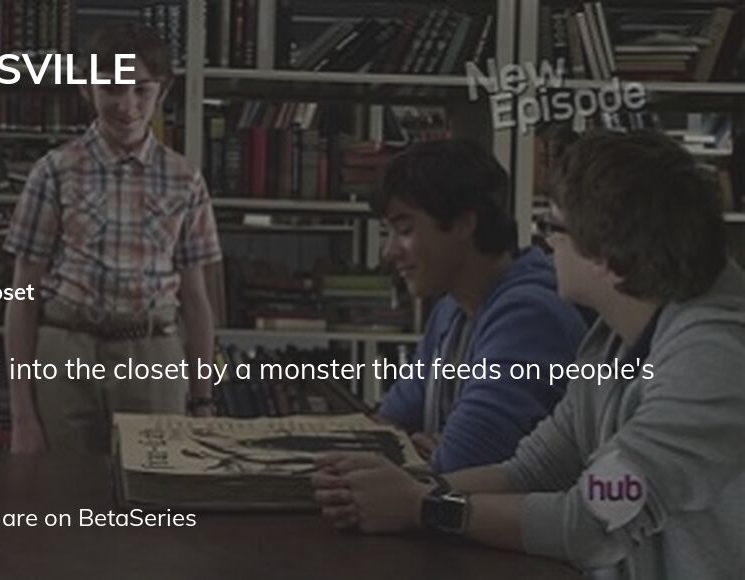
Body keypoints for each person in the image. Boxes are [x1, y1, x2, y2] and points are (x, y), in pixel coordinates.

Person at [314, 130, 745, 580]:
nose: (545, 244)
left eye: (553, 227)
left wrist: (425, 507)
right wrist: (411, 489)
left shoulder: (713, 361)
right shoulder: (615, 337)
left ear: (607, 251)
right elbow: (537, 468)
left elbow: (591, 520)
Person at [3, 23, 222, 455]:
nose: (127, 105)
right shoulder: (54, 171)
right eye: (112, 88)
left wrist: (203, 400)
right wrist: (22, 415)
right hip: (66, 348)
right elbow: (23, 292)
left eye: (141, 90)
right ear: (87, 87)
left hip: (152, 351)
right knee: (63, 487)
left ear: (163, 90)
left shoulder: (184, 178)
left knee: (155, 485)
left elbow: (197, 299)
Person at [372, 139, 586, 472]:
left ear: (463, 224)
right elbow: (388, 425)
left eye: (405, 230)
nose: (390, 251)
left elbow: (465, 459)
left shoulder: (531, 314)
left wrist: (424, 453)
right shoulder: (451, 307)